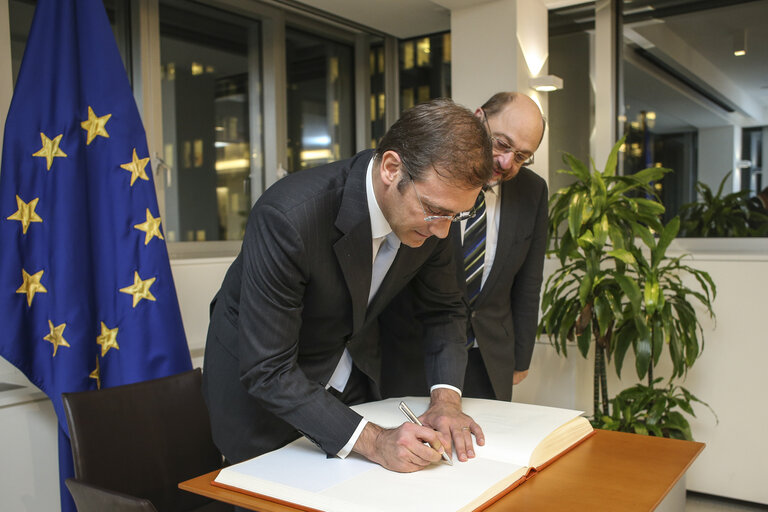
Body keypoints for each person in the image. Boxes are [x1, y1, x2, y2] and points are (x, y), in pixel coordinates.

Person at [202, 98, 492, 474]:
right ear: (391, 168)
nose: (441, 230)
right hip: (261, 395)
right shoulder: (288, 218)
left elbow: (445, 310)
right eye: (435, 211)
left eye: (455, 215)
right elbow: (269, 369)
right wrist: (375, 440)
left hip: (348, 382)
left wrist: (446, 401)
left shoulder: (437, 216)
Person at [380, 92, 548, 401]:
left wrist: (521, 356)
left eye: (522, 156)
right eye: (502, 144)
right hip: (415, 353)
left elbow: (529, 281)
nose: (506, 162)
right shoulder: (430, 176)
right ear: (478, 117)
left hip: (489, 357)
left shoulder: (532, 191)